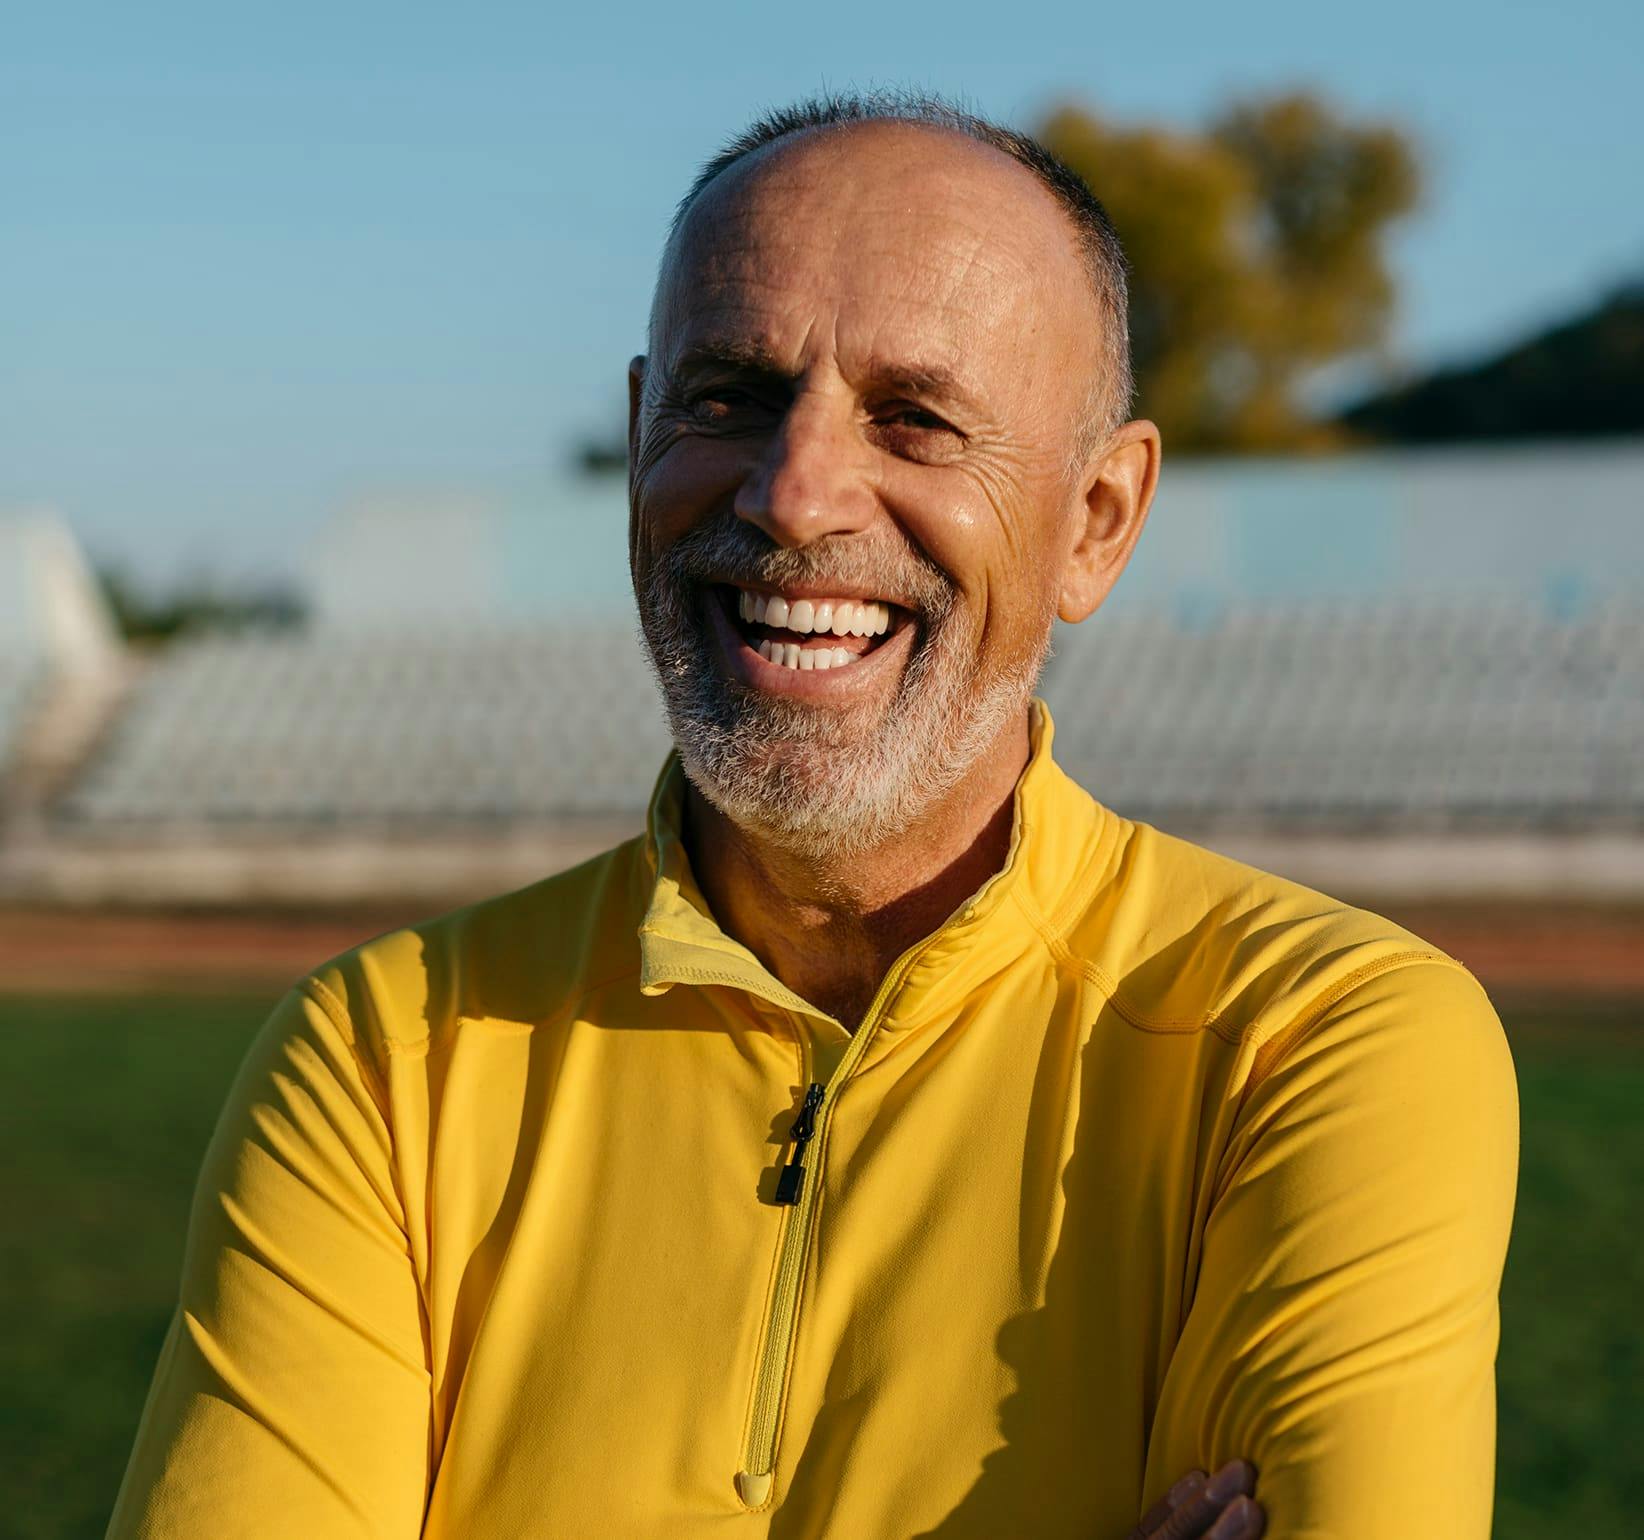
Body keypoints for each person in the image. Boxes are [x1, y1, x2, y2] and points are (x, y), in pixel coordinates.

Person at [107, 93, 1518, 1539]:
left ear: (1096, 521)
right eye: (727, 400)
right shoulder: (383, 1058)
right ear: (640, 439)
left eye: (917, 419)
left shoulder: (1317, 1045)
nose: (793, 496)